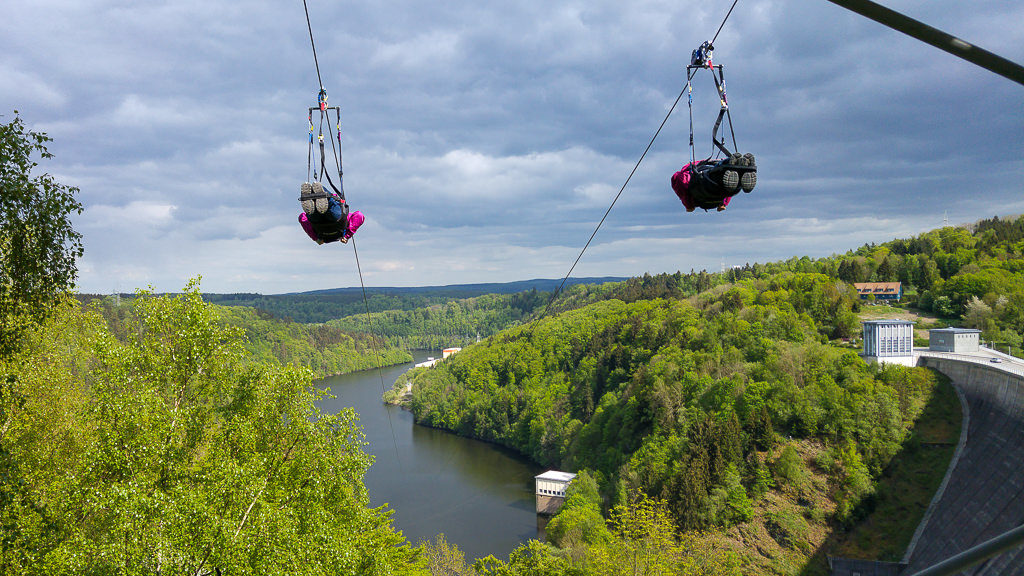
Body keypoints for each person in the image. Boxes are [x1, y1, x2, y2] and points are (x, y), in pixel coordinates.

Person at [671, 152, 756, 212]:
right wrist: (723, 204)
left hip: (707, 190)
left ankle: (736, 167)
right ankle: (737, 166)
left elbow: (679, 183)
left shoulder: (697, 199)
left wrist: (689, 206)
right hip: (707, 180)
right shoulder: (692, 168)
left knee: (724, 184)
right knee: (720, 176)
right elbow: (680, 183)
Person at [297, 181, 364, 244]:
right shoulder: (321, 238)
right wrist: (316, 239)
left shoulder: (345, 231)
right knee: (320, 209)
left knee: (331, 203)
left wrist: (347, 236)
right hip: (319, 224)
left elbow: (359, 215)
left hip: (335, 220)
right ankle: (313, 197)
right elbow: (302, 218)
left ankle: (319, 196)